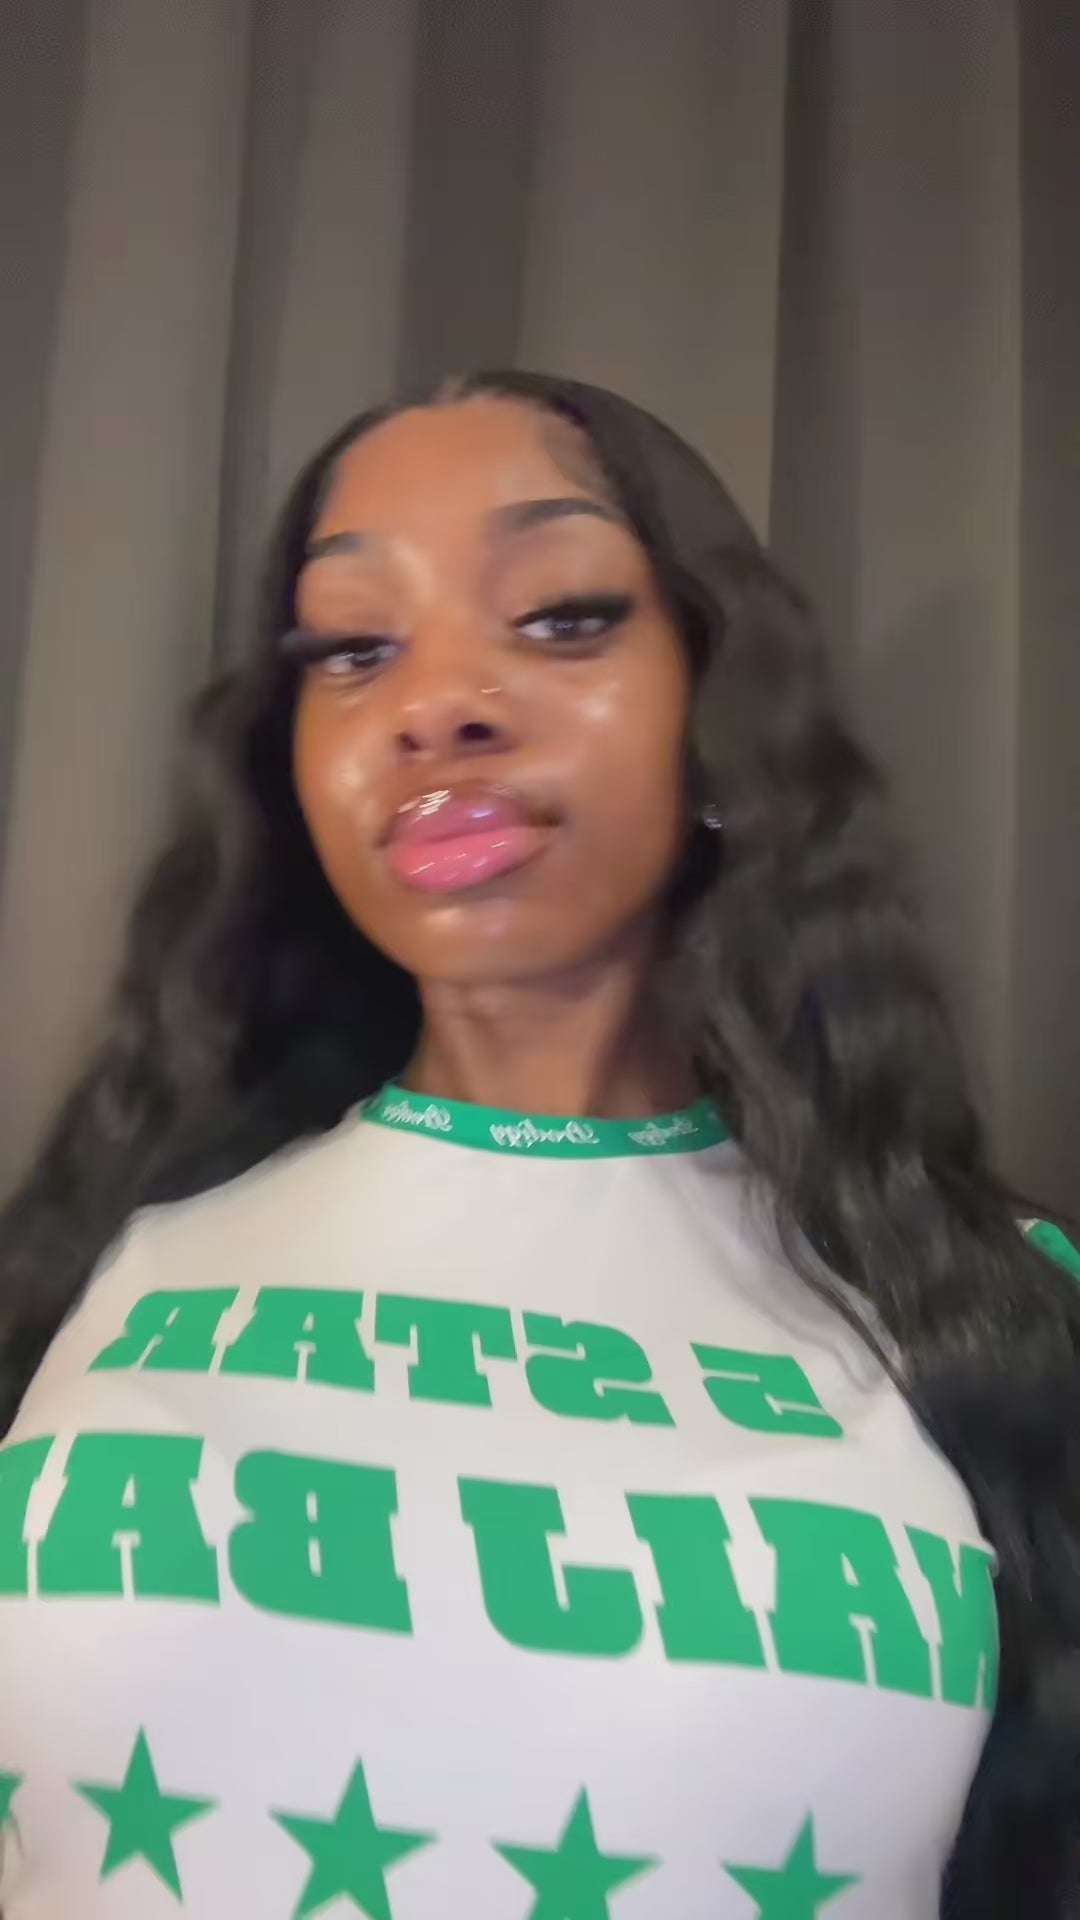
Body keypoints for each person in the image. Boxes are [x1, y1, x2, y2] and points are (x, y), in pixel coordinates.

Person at [0, 372, 1076, 1920]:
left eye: (563, 617)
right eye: (353, 647)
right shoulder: (100, 1251)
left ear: (723, 714)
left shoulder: (999, 1312)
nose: (434, 703)